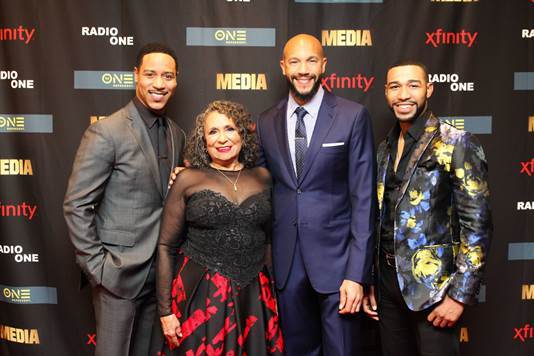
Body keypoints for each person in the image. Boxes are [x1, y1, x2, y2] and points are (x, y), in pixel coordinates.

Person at [256, 34, 376, 355]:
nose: (303, 69)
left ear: (324, 65)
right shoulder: (266, 122)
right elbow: (257, 186)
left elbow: (364, 199)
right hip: (287, 265)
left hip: (339, 268)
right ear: (283, 67)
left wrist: (356, 274)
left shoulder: (352, 116)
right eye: (295, 61)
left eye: (311, 61)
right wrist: (196, 173)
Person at [63, 43, 186, 356]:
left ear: (175, 80)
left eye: (167, 76)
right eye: (151, 74)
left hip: (160, 277)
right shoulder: (107, 132)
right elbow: (77, 205)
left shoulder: (177, 134)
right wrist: (99, 268)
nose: (159, 83)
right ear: (136, 76)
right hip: (118, 275)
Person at [363, 61, 492, 356]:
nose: (403, 94)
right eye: (395, 86)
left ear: (428, 90)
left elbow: (478, 225)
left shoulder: (456, 143)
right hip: (387, 286)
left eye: (413, 85)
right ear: (386, 93)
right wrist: (372, 280)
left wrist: (459, 297)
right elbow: (380, 219)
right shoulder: (384, 148)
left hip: (435, 289)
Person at [156, 100, 284, 355]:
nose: (222, 139)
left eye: (229, 129)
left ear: (242, 134)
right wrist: (166, 311)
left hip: (254, 293)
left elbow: (267, 240)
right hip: (203, 295)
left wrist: (273, 295)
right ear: (203, 141)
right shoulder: (187, 179)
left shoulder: (263, 178)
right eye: (213, 132)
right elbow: (165, 246)